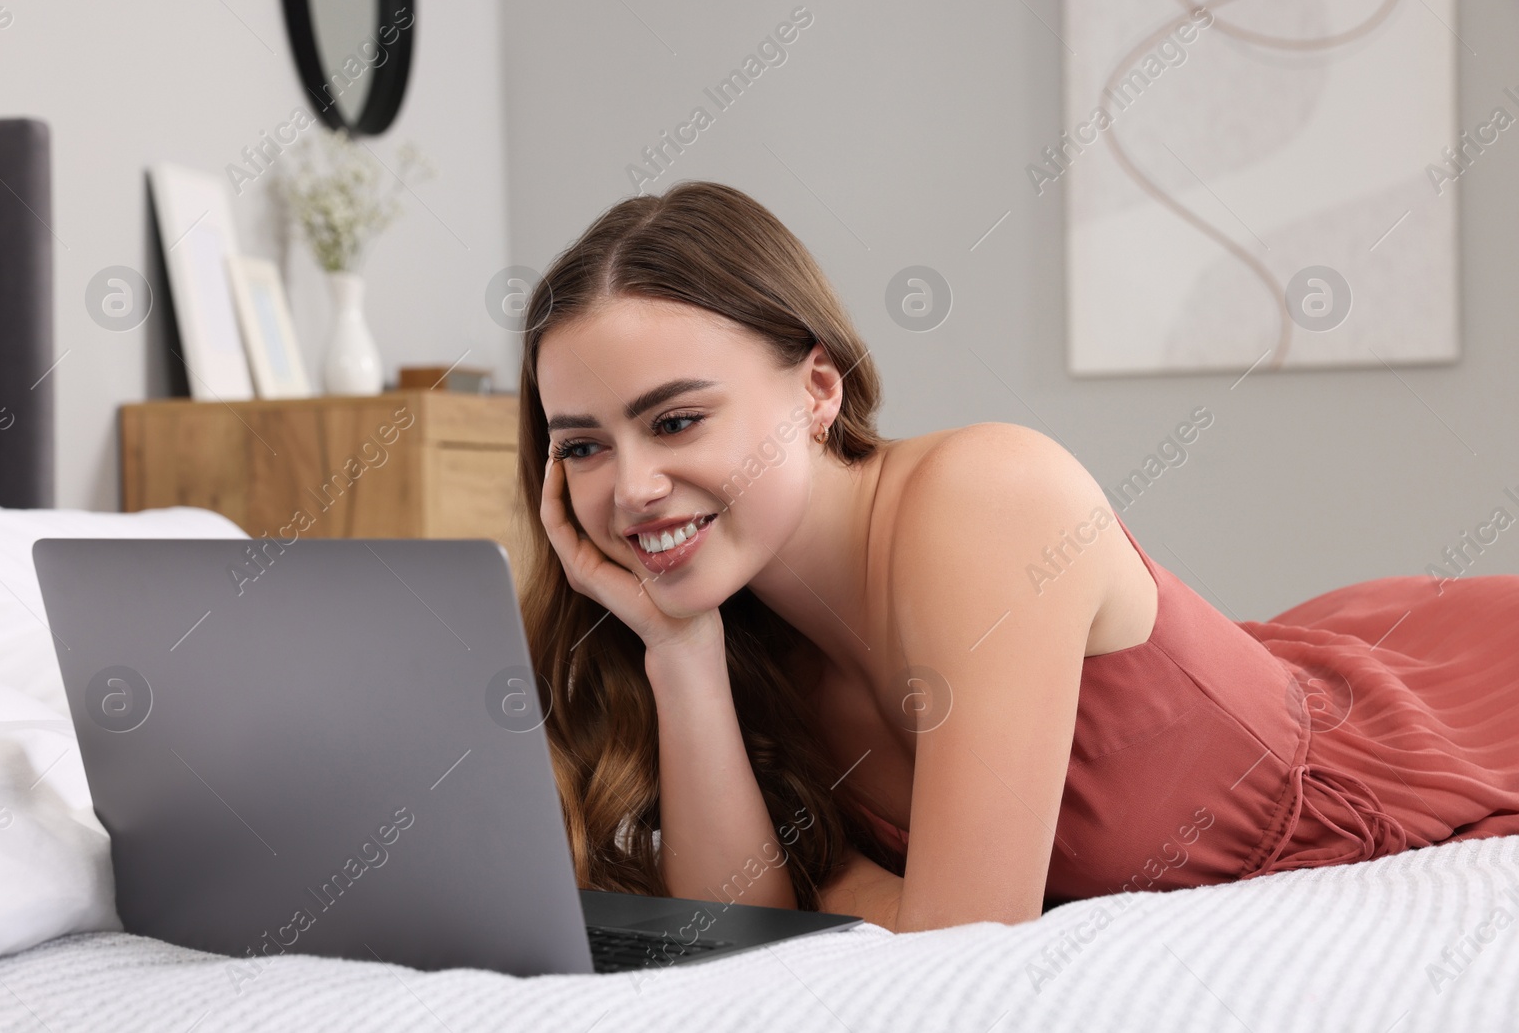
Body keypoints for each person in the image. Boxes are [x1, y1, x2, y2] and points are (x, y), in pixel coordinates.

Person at [512, 180, 1519, 934]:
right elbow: (739, 929)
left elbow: (962, 950)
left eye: (677, 419)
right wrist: (678, 649)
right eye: (585, 445)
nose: (632, 488)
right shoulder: (741, 633)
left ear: (817, 389)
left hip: (1446, 720)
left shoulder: (985, 500)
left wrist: (836, 884)